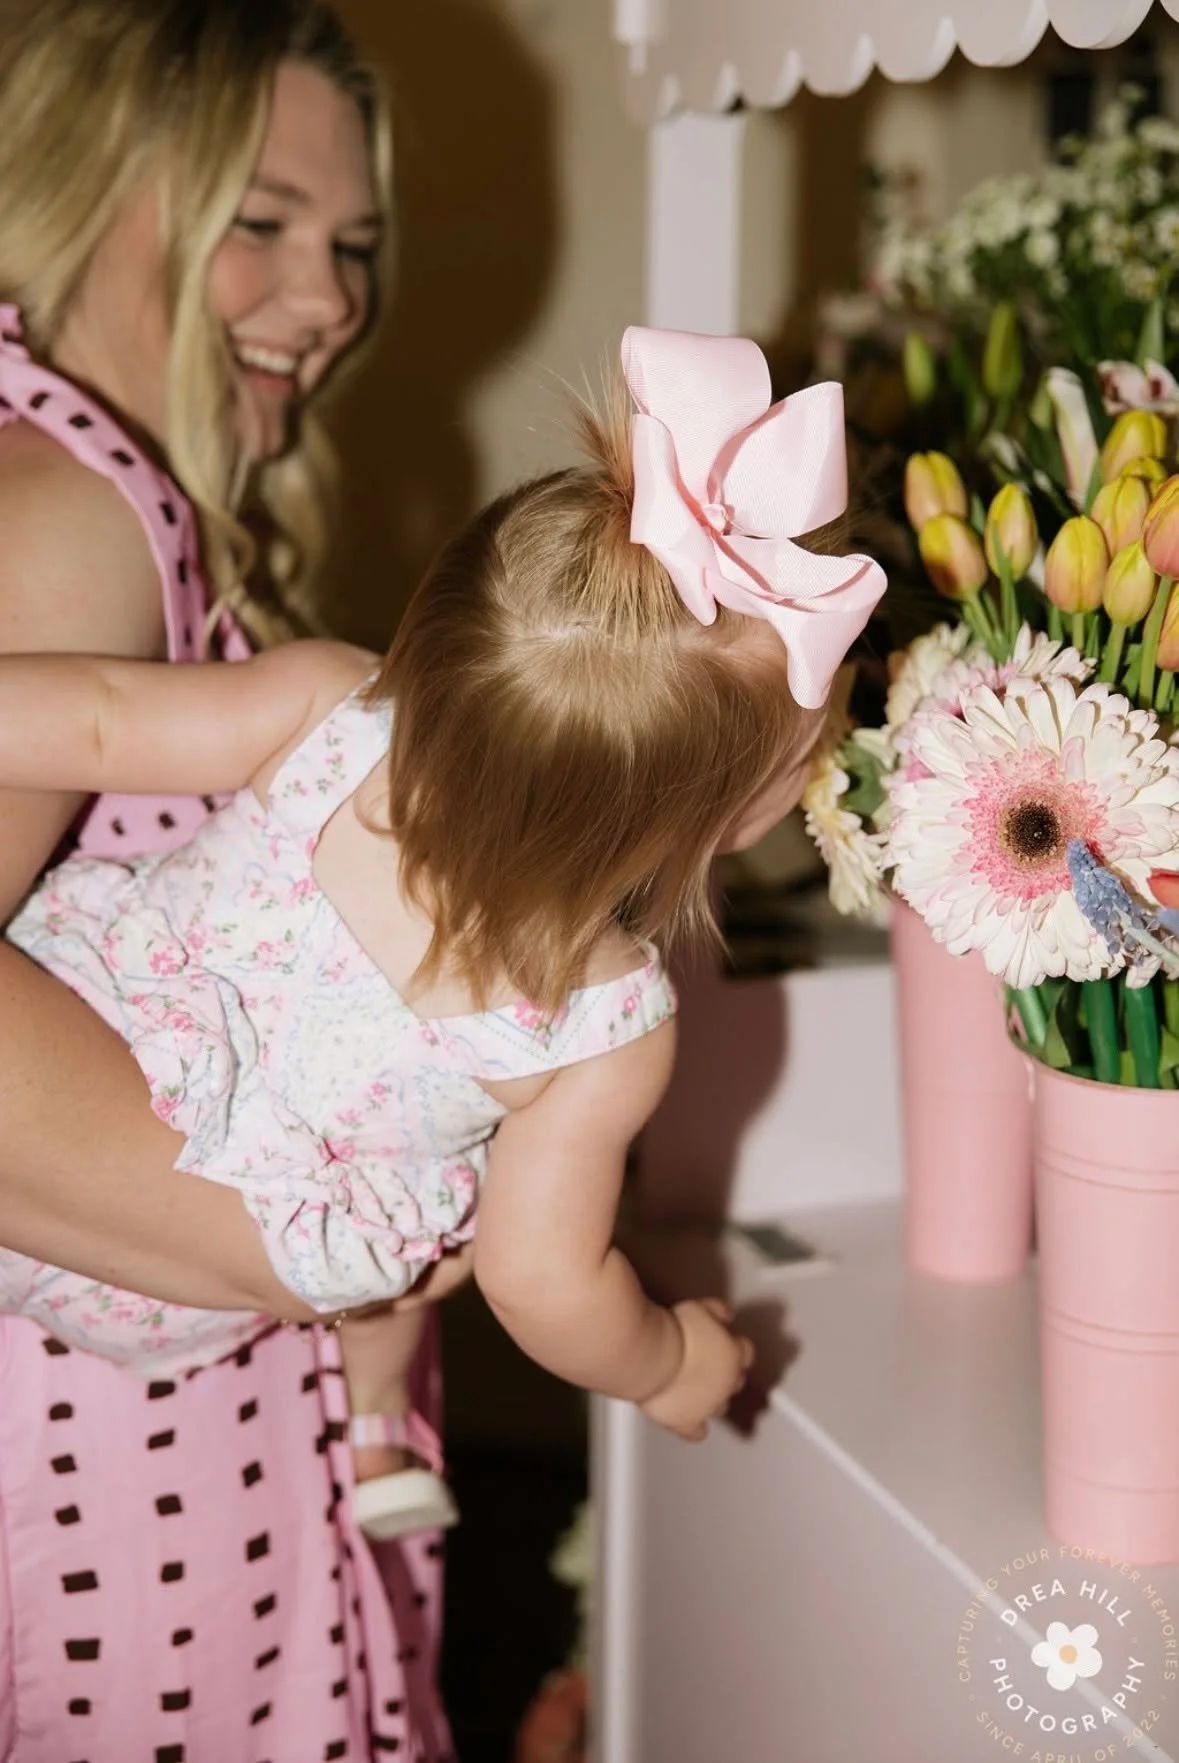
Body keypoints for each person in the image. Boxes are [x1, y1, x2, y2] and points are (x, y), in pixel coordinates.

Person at [0, 328, 886, 1509]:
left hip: (83, 1068)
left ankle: (374, 1424)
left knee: (399, 1180)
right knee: (423, 1196)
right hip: (193, 1287)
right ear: (710, 824)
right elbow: (539, 1282)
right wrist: (670, 1360)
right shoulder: (602, 1022)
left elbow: (103, 717)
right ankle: (377, 1433)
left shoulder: (324, 711)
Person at [0, 2, 454, 1757]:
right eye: (258, 224)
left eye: (348, 244)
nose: (328, 297)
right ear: (70, 186)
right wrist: (336, 1236)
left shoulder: (121, 495)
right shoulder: (72, 504)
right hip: (122, 1507)